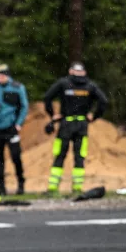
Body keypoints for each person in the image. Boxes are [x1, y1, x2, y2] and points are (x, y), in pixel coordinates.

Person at [42, 62, 108, 195]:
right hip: (82, 126)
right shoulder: (90, 86)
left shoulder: (63, 83)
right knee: (79, 157)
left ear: (71, 71)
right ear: (84, 72)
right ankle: (77, 188)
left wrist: (53, 115)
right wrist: (94, 116)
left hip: (65, 124)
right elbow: (104, 101)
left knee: (60, 155)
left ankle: (53, 188)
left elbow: (47, 97)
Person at [0, 63, 29, 196]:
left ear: (8, 75)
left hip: (11, 127)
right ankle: (1, 186)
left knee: (15, 156)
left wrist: (19, 123)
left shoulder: (18, 87)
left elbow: (24, 107)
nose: (0, 78)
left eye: (2, 75)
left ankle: (21, 182)